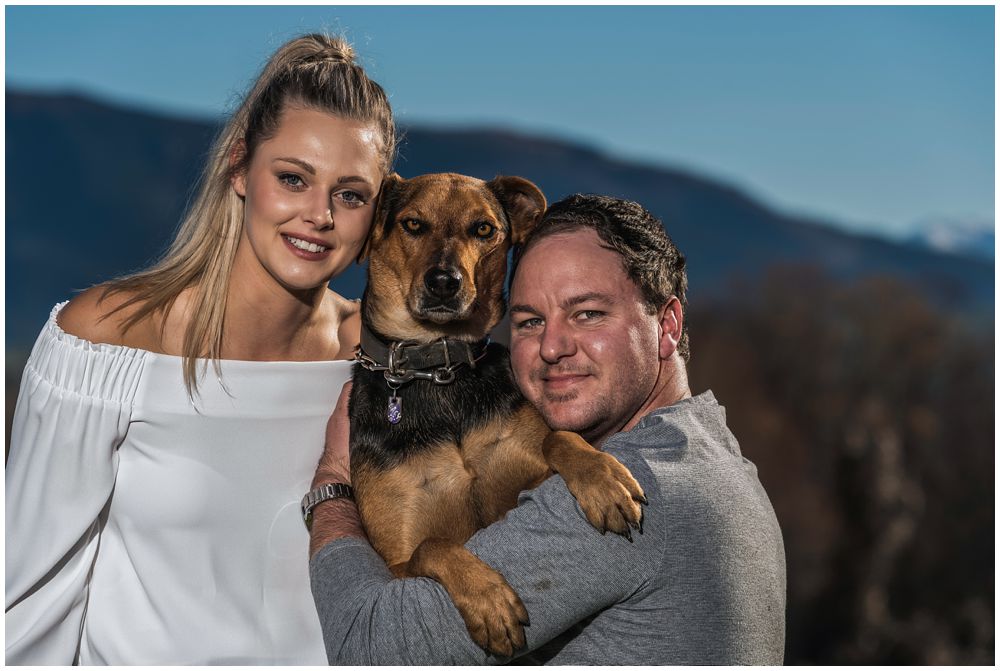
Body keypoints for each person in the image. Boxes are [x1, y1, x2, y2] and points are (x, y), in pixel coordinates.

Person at [5, 34, 395, 664]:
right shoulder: (107, 341)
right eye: (293, 178)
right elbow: (26, 605)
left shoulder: (375, 361)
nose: (319, 214)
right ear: (239, 169)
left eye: (351, 195)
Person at [308, 194, 787, 664]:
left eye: (587, 314)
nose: (553, 347)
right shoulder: (717, 460)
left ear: (668, 325)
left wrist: (330, 492)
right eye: (530, 321)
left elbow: (365, 647)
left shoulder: (627, 492)